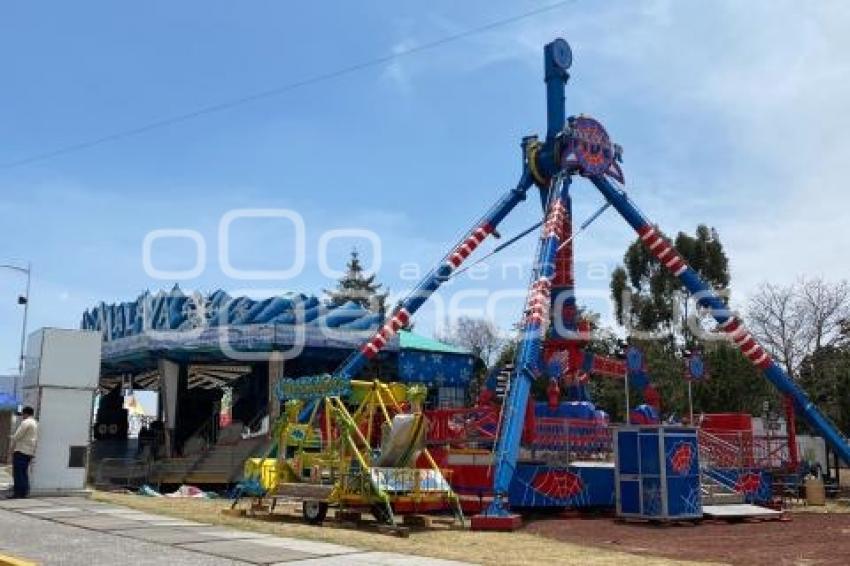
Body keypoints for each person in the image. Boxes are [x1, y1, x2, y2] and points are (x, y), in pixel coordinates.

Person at [9, 406, 38, 498]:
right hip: (29, 451)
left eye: (23, 414)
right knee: (24, 472)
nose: (22, 416)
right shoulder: (35, 423)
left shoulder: (26, 422)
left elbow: (18, 435)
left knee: (18, 473)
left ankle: (18, 492)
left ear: (25, 413)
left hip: (21, 450)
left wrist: (11, 437)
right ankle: (24, 492)